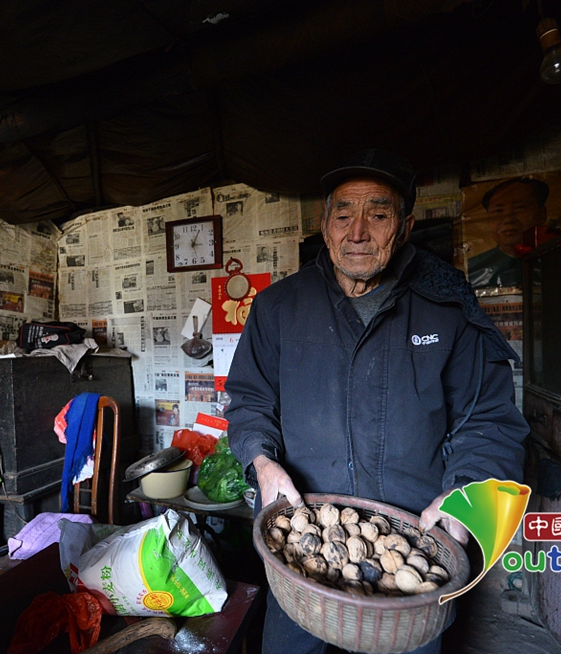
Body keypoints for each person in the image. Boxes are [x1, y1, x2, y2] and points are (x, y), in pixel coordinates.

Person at [225, 149, 529, 654]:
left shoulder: (447, 309)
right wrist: (261, 462)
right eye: (343, 214)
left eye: (378, 214)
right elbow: (250, 401)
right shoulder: (279, 308)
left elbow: (490, 420)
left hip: (410, 562)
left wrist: (465, 495)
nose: (358, 231)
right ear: (324, 225)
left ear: (405, 226)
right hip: (302, 555)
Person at [467, 177, 550, 289]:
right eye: (498, 211)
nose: (509, 219)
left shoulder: (559, 262)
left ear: (541, 214)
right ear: (488, 220)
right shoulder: (472, 268)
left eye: (519, 208)